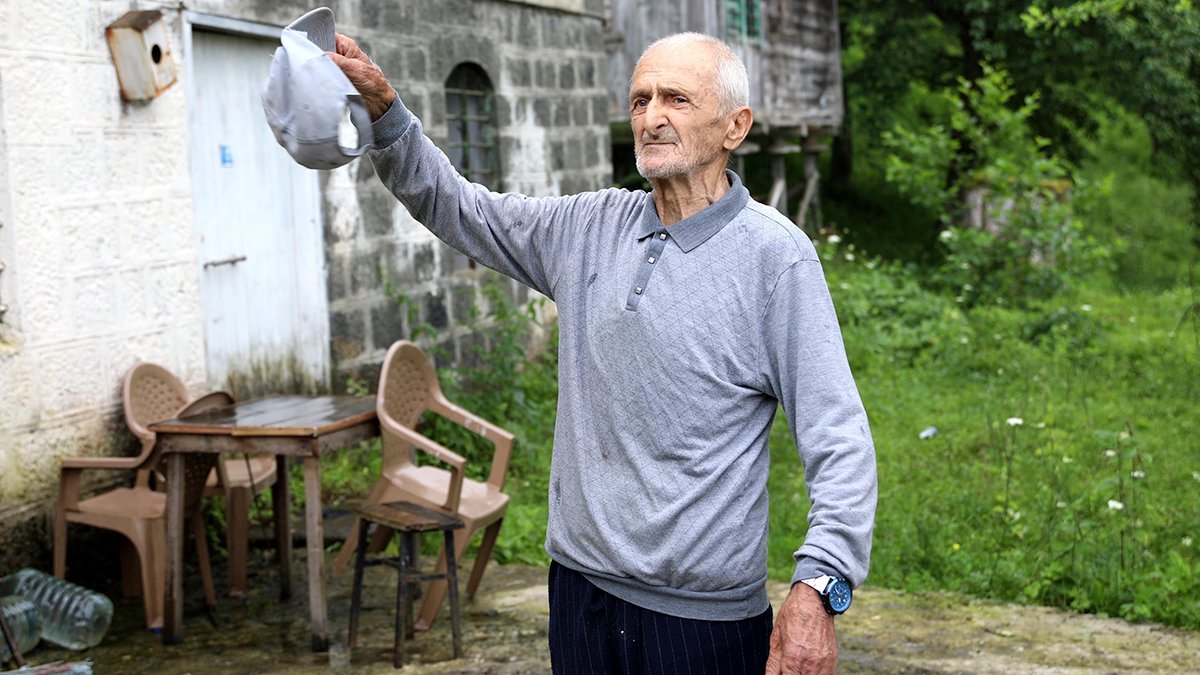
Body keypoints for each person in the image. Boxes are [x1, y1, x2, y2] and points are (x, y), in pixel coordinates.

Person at [328, 30, 877, 674]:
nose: (651, 117)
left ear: (736, 126)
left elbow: (837, 437)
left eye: (675, 98)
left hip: (700, 622)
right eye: (640, 99)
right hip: (580, 597)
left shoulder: (775, 259)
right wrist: (388, 115)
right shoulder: (588, 227)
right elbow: (457, 207)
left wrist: (820, 585)